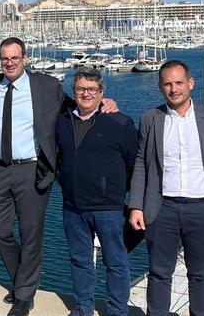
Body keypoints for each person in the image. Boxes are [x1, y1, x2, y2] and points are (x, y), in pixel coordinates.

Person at [0, 37, 117, 316]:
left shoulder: (46, 85)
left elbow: (75, 107)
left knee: (31, 235)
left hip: (32, 168)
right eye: (4, 58)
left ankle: (23, 297)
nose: (9, 63)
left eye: (14, 58)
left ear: (25, 59)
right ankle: (23, 282)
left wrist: (103, 103)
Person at [129, 60, 204, 316]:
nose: (174, 89)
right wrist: (136, 205)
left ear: (190, 84)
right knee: (158, 273)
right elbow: (141, 164)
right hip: (162, 209)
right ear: (160, 87)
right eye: (168, 84)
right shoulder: (151, 118)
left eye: (179, 82)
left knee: (200, 275)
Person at [56, 68, 137, 316]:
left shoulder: (120, 123)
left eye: (92, 89)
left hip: (108, 207)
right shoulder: (62, 121)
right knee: (80, 260)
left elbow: (134, 163)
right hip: (73, 206)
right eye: (81, 89)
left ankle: (117, 310)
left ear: (102, 93)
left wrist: (123, 194)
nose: (86, 94)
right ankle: (83, 307)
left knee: (116, 262)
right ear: (74, 92)